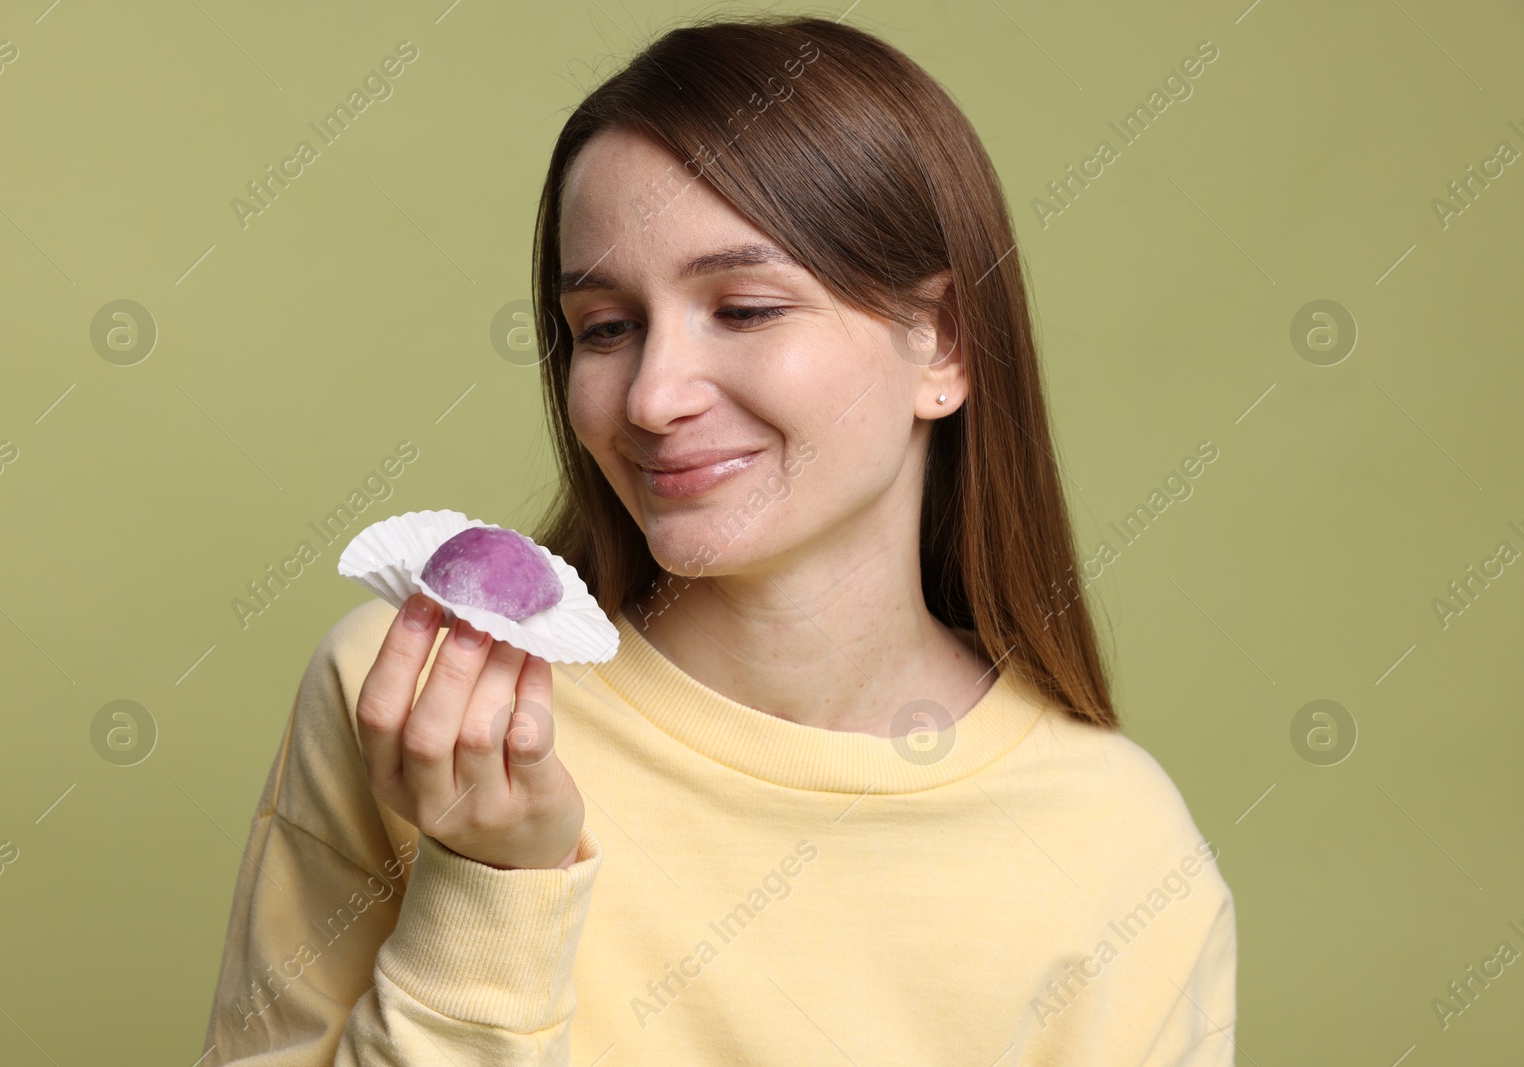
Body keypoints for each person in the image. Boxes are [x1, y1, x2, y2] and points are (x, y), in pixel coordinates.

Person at [201, 12, 1237, 1066]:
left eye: (741, 308)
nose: (651, 396)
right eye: (604, 327)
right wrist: (490, 886)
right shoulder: (420, 703)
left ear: (942, 343)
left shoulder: (1119, 851)